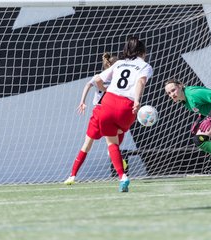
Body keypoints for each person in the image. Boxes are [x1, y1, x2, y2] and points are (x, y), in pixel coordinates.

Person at [94, 36, 153, 192]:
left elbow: (98, 80)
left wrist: (107, 91)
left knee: (111, 143)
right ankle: (119, 163)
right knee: (119, 131)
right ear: (143, 52)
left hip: (108, 102)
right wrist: (137, 101)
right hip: (127, 106)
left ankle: (122, 177)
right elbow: (140, 82)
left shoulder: (119, 63)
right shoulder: (145, 66)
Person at [64, 53, 126, 185]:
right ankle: (72, 175)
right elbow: (90, 84)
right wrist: (82, 101)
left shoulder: (118, 79)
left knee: (117, 135)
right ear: (111, 66)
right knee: (87, 145)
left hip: (109, 111)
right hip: (100, 111)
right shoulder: (103, 76)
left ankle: (73, 175)